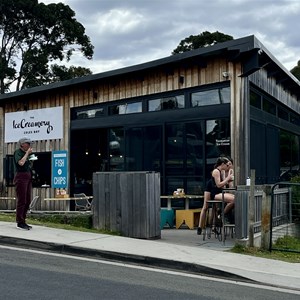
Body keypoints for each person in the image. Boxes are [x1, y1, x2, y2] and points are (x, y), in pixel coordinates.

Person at [197, 156, 235, 235]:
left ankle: (220, 217)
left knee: (233, 199)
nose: (228, 167)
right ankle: (200, 226)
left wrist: (229, 181)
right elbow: (218, 185)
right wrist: (228, 178)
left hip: (218, 191)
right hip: (211, 190)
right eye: (227, 165)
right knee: (205, 207)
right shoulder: (216, 171)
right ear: (222, 164)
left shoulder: (222, 171)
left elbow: (223, 185)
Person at [13, 137, 34, 230]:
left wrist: (31, 156)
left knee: (28, 200)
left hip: (28, 175)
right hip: (20, 176)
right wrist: (26, 154)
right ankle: (20, 222)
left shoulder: (29, 153)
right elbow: (21, 163)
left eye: (30, 143)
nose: (29, 145)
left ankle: (23, 220)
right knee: (22, 200)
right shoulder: (18, 152)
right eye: (27, 143)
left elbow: (32, 162)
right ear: (22, 144)